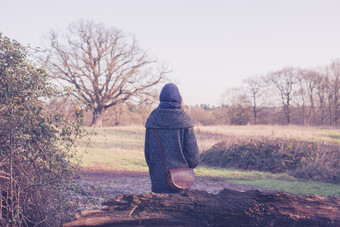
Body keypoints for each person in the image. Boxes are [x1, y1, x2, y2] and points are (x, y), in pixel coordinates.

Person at [144, 83, 200, 193]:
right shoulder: (184, 119)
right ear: (178, 98)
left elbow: (148, 154)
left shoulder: (152, 118)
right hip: (181, 180)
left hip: (158, 179)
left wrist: (156, 169)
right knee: (179, 208)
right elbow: (193, 157)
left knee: (157, 208)